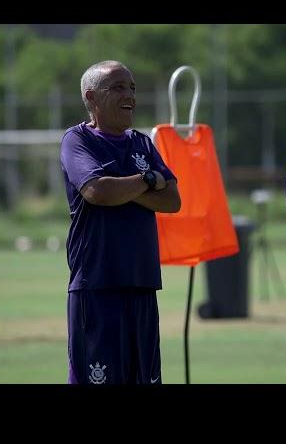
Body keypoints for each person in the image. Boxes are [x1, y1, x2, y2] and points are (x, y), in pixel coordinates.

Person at [60, 60, 181, 384]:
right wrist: (148, 179)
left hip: (141, 283)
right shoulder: (77, 141)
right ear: (92, 97)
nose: (129, 95)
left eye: (132, 88)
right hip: (97, 285)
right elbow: (97, 191)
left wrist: (124, 186)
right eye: (117, 87)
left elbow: (172, 200)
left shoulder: (141, 143)